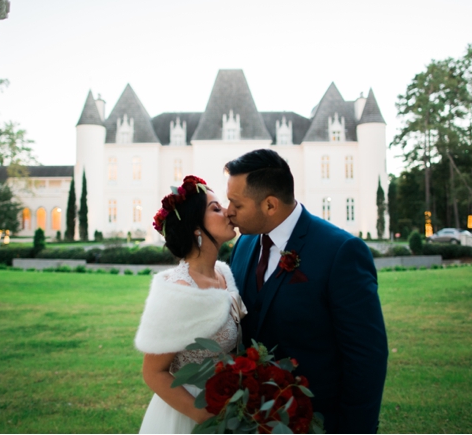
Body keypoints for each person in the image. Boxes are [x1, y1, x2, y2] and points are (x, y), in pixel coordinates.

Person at [225, 149, 388, 434]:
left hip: (318, 421)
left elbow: (366, 357)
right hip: (251, 420)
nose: (228, 211)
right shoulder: (243, 246)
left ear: (270, 205)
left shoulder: (340, 252)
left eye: (235, 204)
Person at [134, 175, 247, 434]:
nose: (228, 212)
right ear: (197, 228)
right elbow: (154, 373)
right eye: (216, 208)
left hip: (231, 404)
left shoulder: (223, 273)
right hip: (190, 413)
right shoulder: (179, 291)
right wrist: (204, 416)